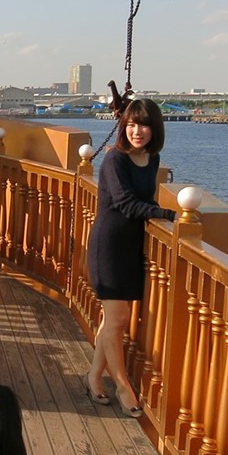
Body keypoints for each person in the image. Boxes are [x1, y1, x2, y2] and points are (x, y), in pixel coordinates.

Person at [85, 97, 175, 417]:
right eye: (132, 124)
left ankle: (94, 377)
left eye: (144, 125)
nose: (138, 131)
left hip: (131, 246)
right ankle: (122, 384)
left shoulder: (151, 159)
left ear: (155, 128)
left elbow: (142, 201)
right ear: (124, 125)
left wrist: (159, 215)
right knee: (119, 320)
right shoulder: (115, 160)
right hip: (108, 246)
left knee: (113, 320)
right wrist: (169, 214)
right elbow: (126, 204)